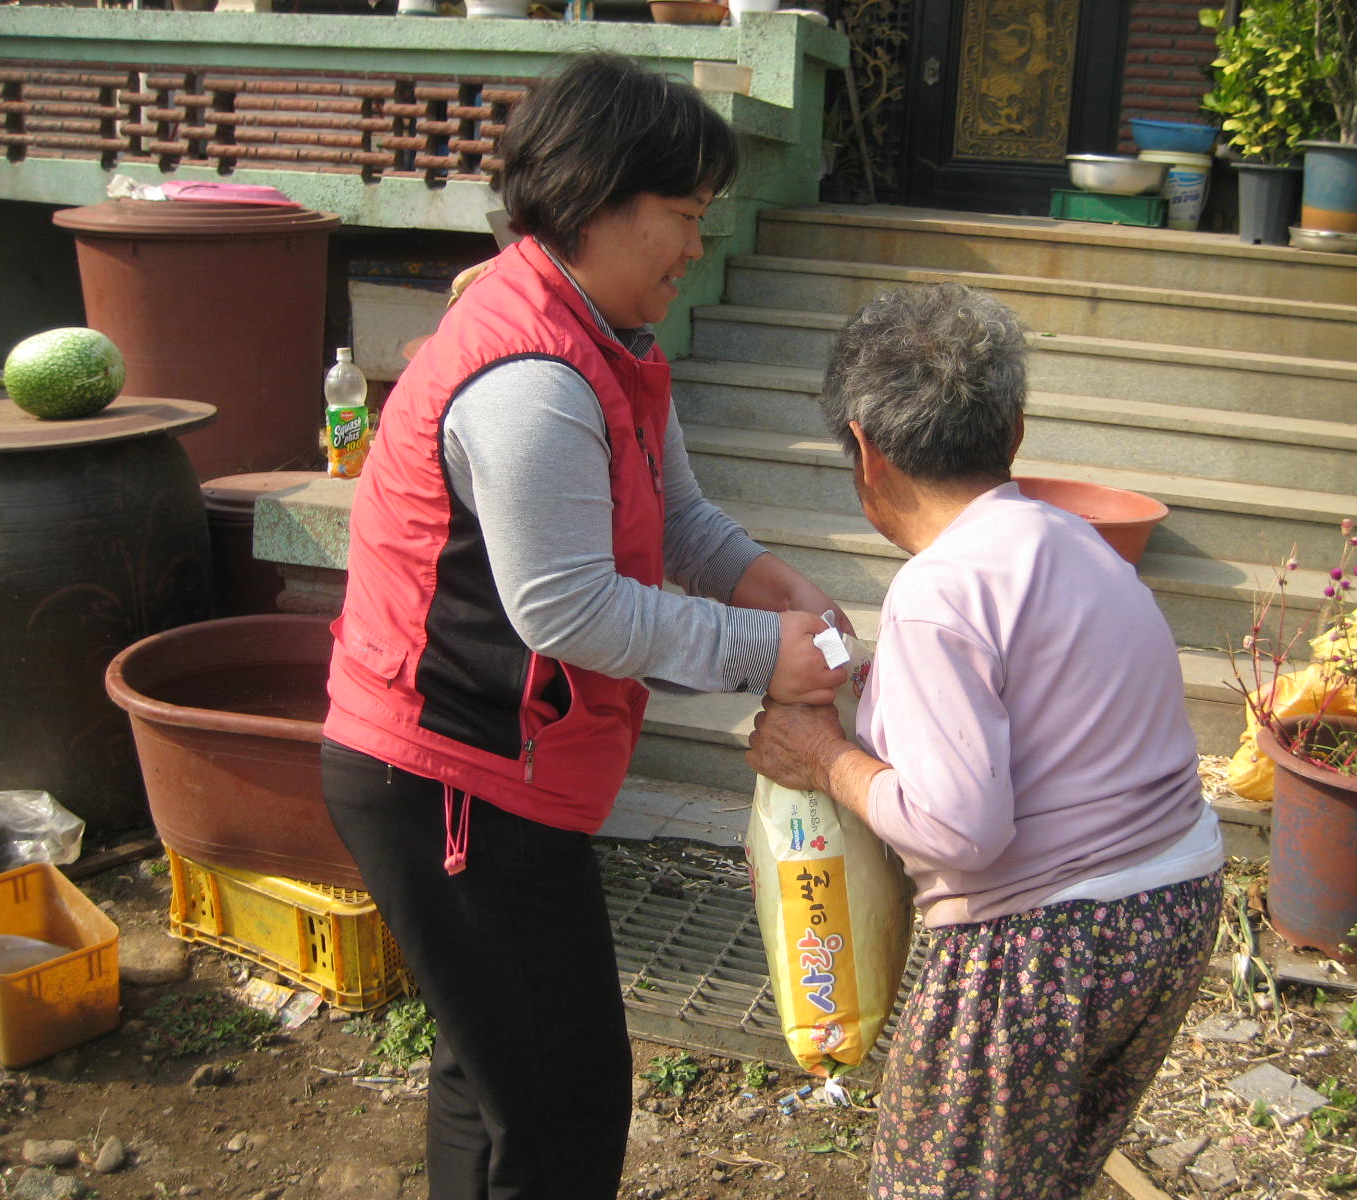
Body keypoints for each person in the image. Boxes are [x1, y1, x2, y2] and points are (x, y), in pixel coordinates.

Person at [320, 52, 847, 1200]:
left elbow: (676, 514)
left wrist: (768, 585)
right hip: (448, 774)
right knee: (562, 1099)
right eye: (684, 214)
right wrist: (761, 654)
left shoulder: (605, 337)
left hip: (490, 769)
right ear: (596, 200)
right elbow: (565, 607)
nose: (696, 246)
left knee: (493, 1073)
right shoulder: (531, 377)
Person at [746, 283, 1224, 1200]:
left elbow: (958, 829)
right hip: (1173, 906)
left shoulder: (939, 590)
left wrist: (824, 757)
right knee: (1043, 1175)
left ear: (865, 450)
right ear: (1015, 430)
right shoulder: (1075, 540)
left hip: (1051, 945)